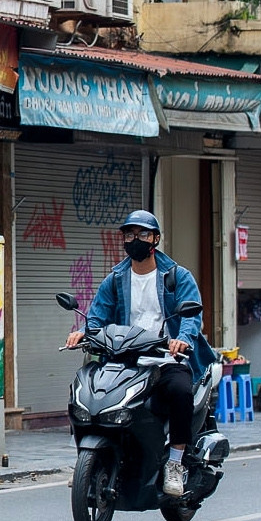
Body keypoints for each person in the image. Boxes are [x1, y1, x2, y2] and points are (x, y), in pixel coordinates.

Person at [65, 209, 214, 498]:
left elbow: (192, 315)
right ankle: (85, 461)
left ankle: (174, 462)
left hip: (164, 359)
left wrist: (181, 340)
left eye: (143, 234)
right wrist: (84, 333)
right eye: (130, 234)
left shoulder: (176, 275)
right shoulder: (116, 279)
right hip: (123, 359)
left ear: (155, 239)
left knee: (181, 391)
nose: (135, 239)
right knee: (85, 389)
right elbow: (96, 316)